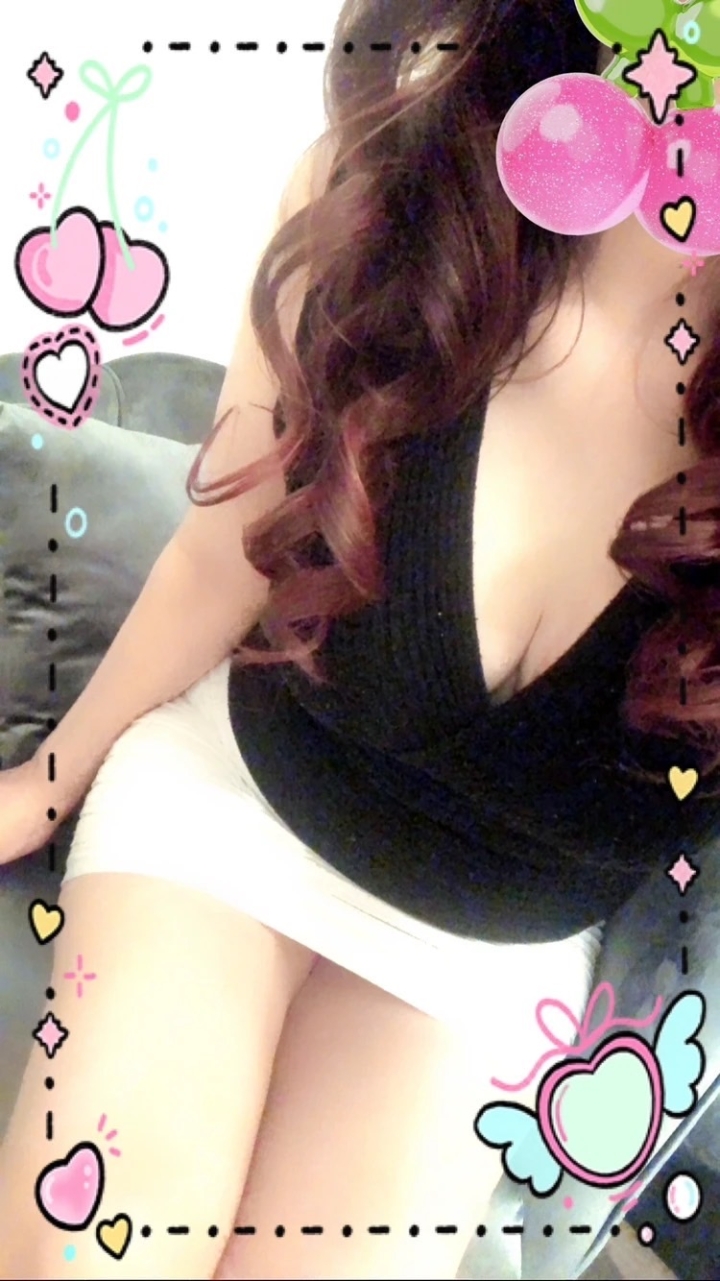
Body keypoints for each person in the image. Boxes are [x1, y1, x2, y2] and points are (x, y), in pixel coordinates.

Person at [1, 2, 718, 1278]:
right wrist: (41, 784)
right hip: (229, 812)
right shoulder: (395, 194)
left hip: (472, 960)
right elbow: (222, 550)